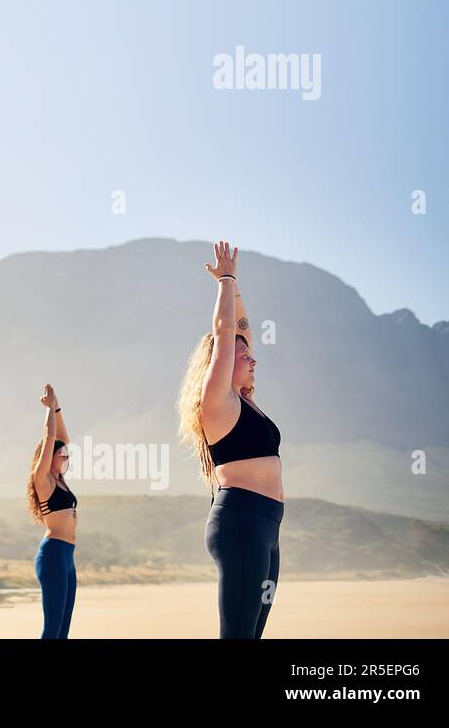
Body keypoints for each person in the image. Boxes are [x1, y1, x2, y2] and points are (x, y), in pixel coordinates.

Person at [177, 240, 283, 638]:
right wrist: (225, 279)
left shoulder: (245, 402)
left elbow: (239, 331)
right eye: (244, 357)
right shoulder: (217, 402)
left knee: (252, 634)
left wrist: (235, 290)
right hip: (242, 522)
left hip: (267, 526)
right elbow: (225, 333)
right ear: (219, 365)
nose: (252, 358)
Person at [26, 382, 78, 638]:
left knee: (64, 628)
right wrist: (48, 409)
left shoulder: (60, 480)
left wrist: (58, 409)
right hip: (53, 555)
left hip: (68, 557)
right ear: (49, 457)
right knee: (52, 627)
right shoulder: (43, 480)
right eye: (62, 455)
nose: (66, 457)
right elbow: (51, 438)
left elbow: (62, 440)